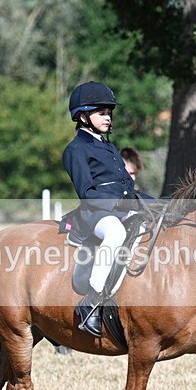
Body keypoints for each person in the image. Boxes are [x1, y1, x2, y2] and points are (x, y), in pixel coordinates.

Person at [62, 81, 137, 337]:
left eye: (109, 113)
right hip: (95, 214)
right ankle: (91, 302)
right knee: (116, 233)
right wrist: (118, 204)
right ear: (83, 117)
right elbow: (87, 193)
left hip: (121, 208)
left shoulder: (109, 147)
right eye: (101, 113)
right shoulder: (75, 150)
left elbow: (127, 186)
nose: (108, 118)